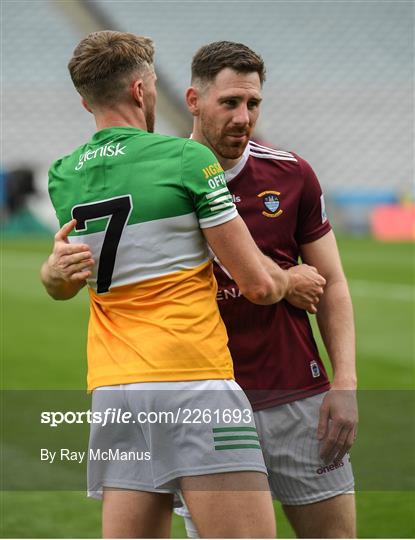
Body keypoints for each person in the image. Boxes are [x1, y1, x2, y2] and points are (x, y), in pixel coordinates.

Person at [40, 31, 327, 538]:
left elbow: (68, 278)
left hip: (114, 390)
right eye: (151, 83)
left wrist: (49, 277)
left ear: (85, 100)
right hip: (192, 383)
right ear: (139, 90)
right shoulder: (186, 161)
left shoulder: (63, 176)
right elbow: (258, 285)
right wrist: (291, 278)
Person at [176, 41, 358, 538]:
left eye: (253, 103)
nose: (243, 117)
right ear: (194, 100)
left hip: (297, 395)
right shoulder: (163, 182)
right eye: (229, 103)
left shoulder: (291, 174)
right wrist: (283, 283)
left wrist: (345, 383)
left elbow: (333, 281)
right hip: (205, 401)